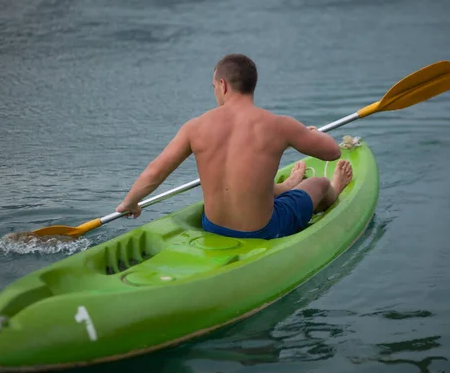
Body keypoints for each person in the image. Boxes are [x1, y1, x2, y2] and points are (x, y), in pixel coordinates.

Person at [116, 54, 353, 239]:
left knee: (246, 179)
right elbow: (333, 152)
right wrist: (311, 133)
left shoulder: (195, 127)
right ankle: (335, 188)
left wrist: (130, 203)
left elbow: (155, 172)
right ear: (252, 85)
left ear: (223, 85)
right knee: (319, 184)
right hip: (264, 230)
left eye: (214, 87)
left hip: (213, 227)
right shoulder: (279, 126)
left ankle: (287, 186)